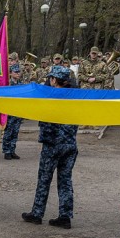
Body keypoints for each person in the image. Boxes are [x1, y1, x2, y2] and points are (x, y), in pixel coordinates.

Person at [21, 65, 78, 229]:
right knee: (65, 180)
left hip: (53, 145)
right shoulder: (75, 96)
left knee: (44, 179)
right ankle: (65, 216)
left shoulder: (49, 96)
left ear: (54, 79)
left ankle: (37, 213)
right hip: (70, 145)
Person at [1, 64, 25, 159]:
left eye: (19, 72)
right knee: (8, 131)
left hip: (18, 111)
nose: (18, 74)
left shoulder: (21, 84)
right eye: (16, 72)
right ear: (10, 73)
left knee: (15, 132)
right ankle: (6, 151)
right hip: (9, 111)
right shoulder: (7, 84)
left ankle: (12, 150)